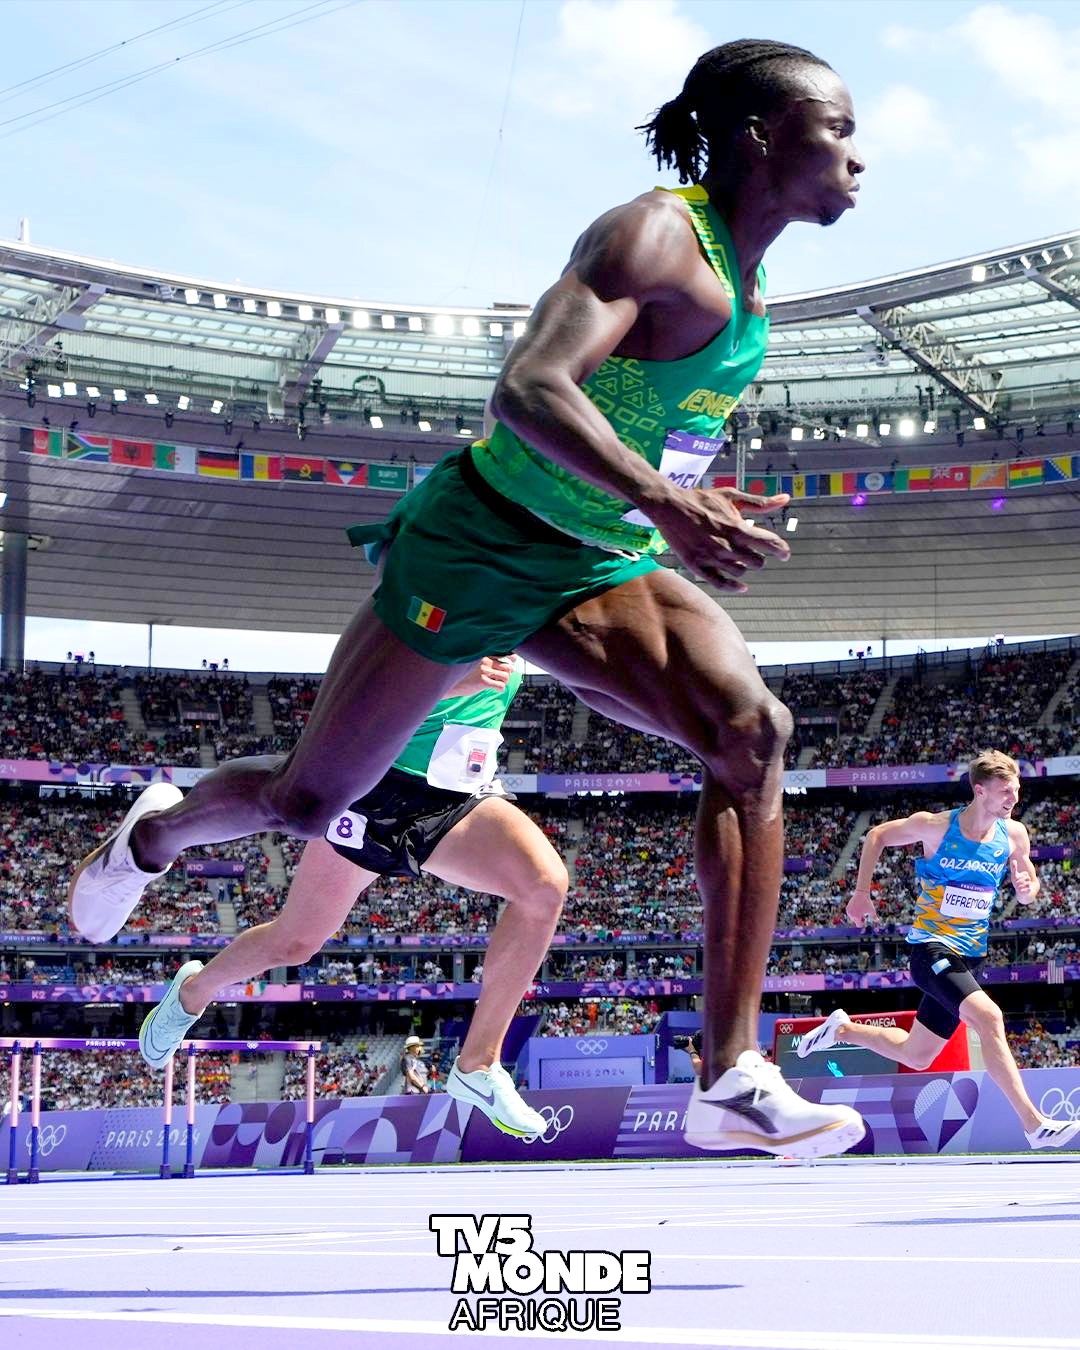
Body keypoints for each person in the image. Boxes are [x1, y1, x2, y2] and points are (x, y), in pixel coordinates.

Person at [72, 39, 866, 1157]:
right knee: (306, 802)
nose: (856, 158)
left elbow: (642, 416)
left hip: (594, 559)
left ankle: (730, 1071)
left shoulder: (751, 280)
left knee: (751, 736)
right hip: (481, 544)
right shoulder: (653, 236)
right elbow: (530, 388)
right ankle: (153, 840)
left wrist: (677, 493)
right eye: (836, 131)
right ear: (759, 139)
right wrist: (666, 503)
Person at [137, 656, 560, 1139]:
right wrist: (439, 685)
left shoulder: (528, 624)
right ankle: (194, 990)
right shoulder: (439, 607)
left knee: (544, 886)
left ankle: (478, 1065)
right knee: (294, 943)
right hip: (375, 792)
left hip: (455, 799)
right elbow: (357, 703)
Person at [799, 750, 1080, 1149]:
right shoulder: (935, 827)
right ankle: (1034, 1124)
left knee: (917, 1054)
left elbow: (1029, 883)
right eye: (1004, 792)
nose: (1012, 799)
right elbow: (877, 835)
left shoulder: (1013, 834)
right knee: (990, 1017)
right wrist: (861, 893)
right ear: (979, 790)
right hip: (931, 950)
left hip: (970, 955)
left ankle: (840, 1029)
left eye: (1016, 791)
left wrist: (1026, 888)